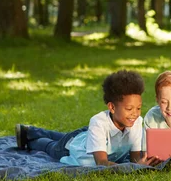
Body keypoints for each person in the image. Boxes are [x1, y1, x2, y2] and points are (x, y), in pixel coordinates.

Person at [15, 70, 158, 166]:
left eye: (138, 108)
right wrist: (133, 168)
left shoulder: (136, 122)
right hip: (71, 148)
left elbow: (134, 159)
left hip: (86, 136)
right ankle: (29, 134)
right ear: (112, 107)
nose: (135, 113)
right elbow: (101, 163)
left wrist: (143, 163)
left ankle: (31, 130)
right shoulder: (98, 122)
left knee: (65, 135)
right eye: (129, 109)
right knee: (49, 146)